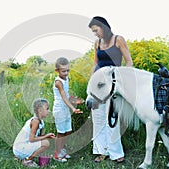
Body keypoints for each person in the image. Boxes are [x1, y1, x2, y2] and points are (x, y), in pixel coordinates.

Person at [88, 16, 133, 163]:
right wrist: (91, 83)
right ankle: (101, 152)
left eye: (96, 30)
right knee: (98, 118)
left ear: (103, 27)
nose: (96, 34)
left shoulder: (118, 39)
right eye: (93, 32)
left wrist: (124, 78)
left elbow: (128, 61)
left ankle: (115, 153)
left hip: (114, 84)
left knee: (111, 119)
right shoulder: (97, 43)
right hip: (98, 84)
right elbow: (96, 64)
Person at [52, 57, 83, 162]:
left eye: (67, 70)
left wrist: (74, 100)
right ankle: (57, 154)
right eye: (63, 71)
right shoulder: (58, 82)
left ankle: (61, 150)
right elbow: (63, 97)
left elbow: (67, 95)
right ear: (57, 71)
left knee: (68, 131)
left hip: (65, 109)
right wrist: (73, 108)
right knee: (61, 133)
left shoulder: (66, 80)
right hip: (59, 110)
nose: (66, 73)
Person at [13, 98, 56, 168]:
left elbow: (39, 138)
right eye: (47, 109)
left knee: (45, 142)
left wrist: (47, 136)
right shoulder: (35, 121)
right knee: (46, 143)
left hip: (22, 147)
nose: (49, 111)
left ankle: (23, 157)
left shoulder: (41, 122)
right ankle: (27, 160)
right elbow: (32, 139)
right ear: (40, 111)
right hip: (19, 149)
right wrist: (46, 136)